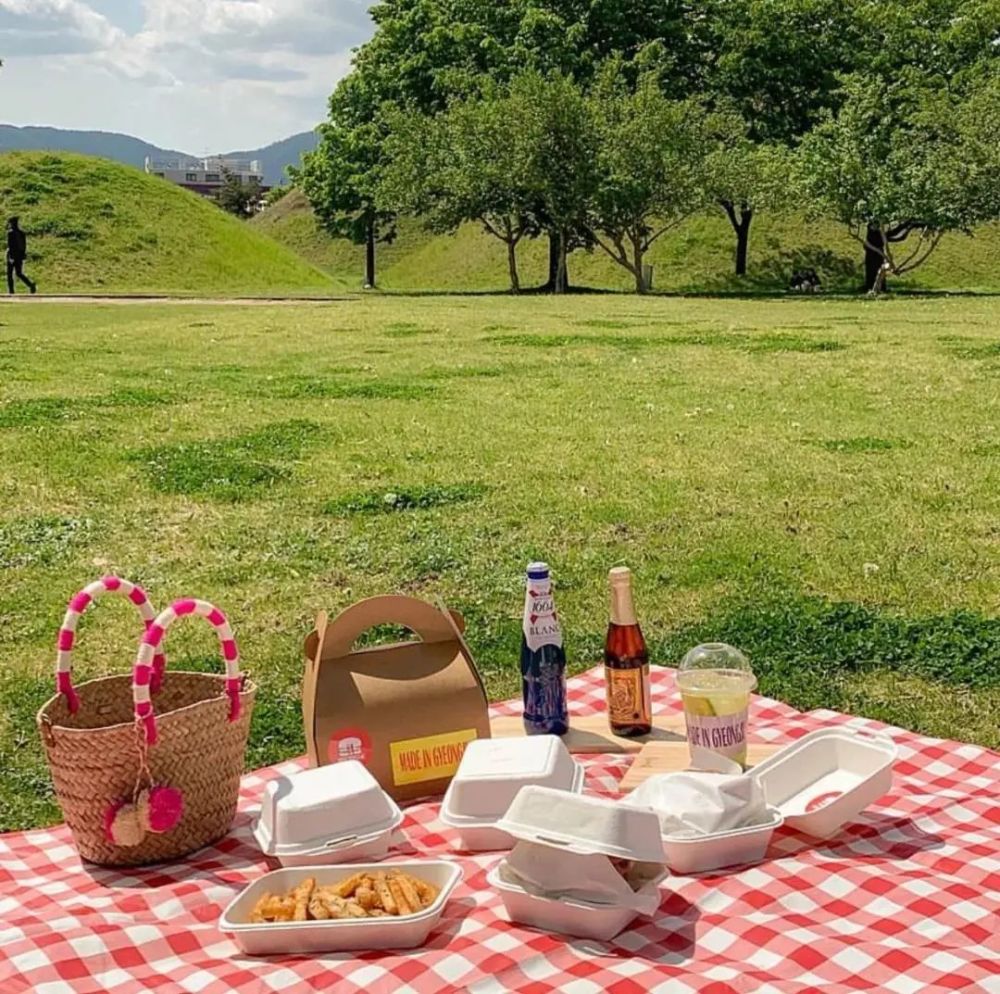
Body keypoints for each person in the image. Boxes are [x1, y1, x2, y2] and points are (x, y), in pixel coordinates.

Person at [6, 217, 37, 295]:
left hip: (12, 255)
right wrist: (23, 254)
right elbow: (24, 245)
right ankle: (30, 284)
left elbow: (11, 245)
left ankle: (11, 291)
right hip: (19, 255)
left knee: (10, 274)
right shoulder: (22, 233)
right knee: (19, 273)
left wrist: (10, 256)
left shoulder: (11, 233)